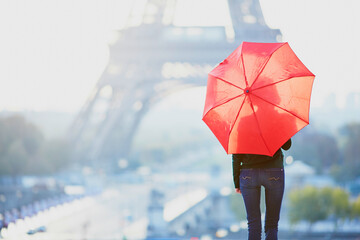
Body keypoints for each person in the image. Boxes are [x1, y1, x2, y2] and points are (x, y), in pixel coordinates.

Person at [232, 139, 291, 240]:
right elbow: (286, 146)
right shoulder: (275, 122)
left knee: (253, 224)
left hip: (248, 174)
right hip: (274, 171)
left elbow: (236, 156)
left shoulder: (241, 125)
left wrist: (237, 183)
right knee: (272, 224)